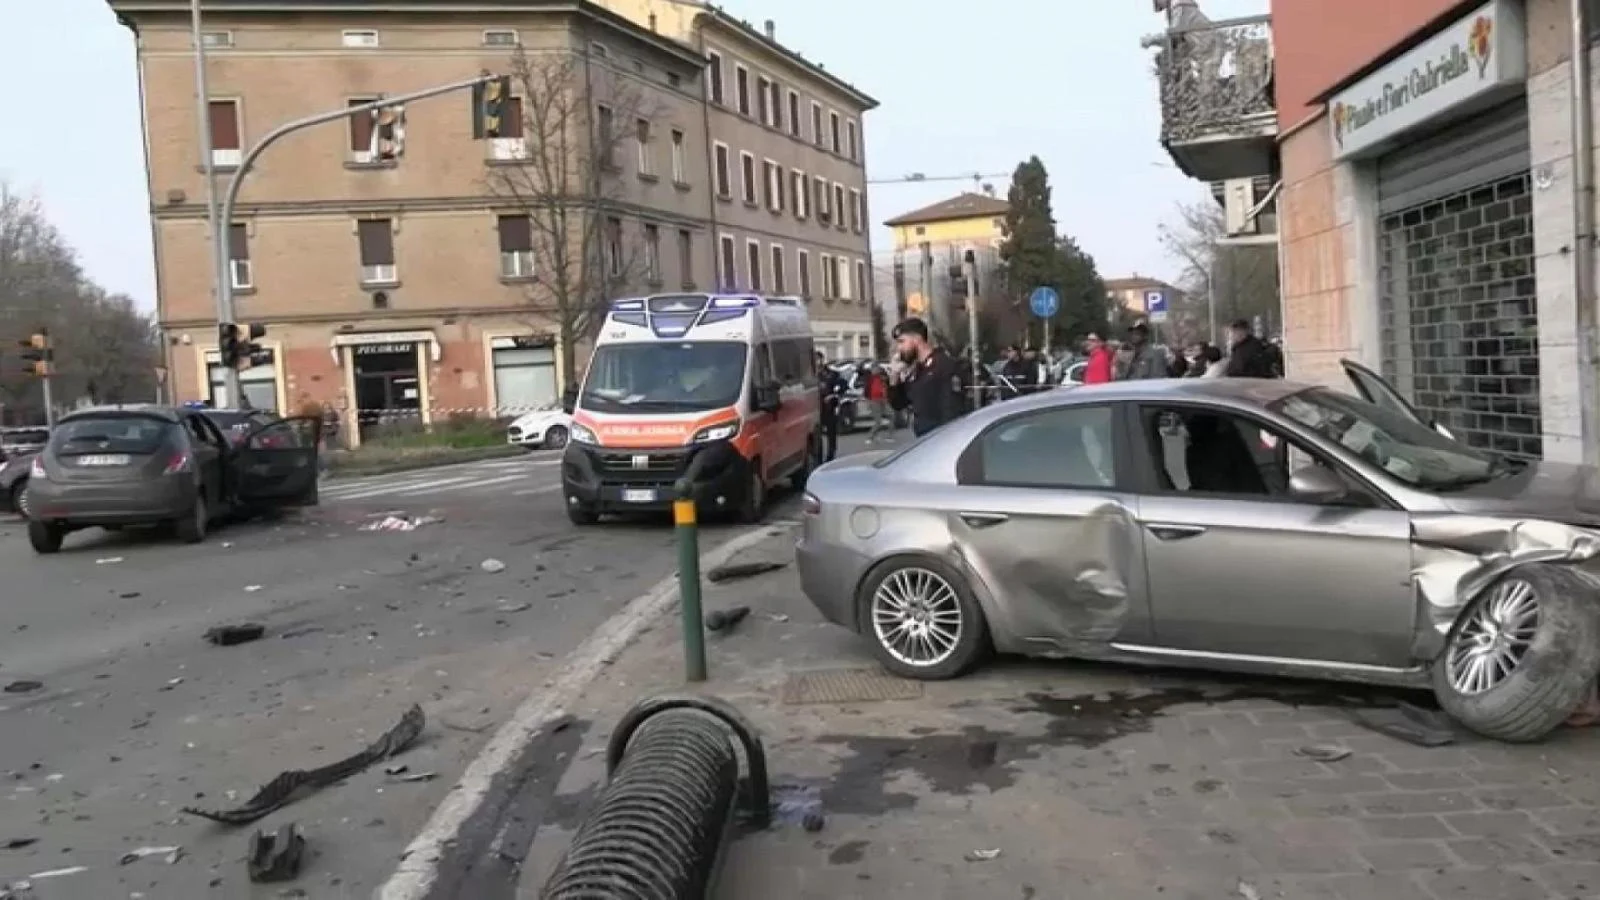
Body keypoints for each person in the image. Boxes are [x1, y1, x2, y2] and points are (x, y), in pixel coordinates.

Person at [886, 317, 963, 436]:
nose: (899, 348)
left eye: (902, 341)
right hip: (924, 439)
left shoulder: (943, 365)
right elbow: (898, 404)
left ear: (917, 339)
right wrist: (894, 376)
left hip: (942, 438)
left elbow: (951, 410)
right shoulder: (916, 370)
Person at [816, 352, 844, 462]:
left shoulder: (831, 374)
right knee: (816, 434)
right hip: (815, 408)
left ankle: (831, 454)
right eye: (815, 359)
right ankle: (817, 457)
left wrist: (833, 395)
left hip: (829, 407)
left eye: (818, 359)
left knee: (831, 432)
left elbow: (842, 386)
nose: (817, 362)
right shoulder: (810, 375)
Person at [863, 362, 892, 443]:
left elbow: (887, 384)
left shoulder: (882, 377)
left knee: (891, 415)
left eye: (877, 368)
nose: (876, 370)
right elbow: (866, 392)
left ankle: (889, 436)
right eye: (874, 368)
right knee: (878, 421)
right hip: (874, 400)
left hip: (883, 399)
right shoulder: (869, 379)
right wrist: (868, 402)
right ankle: (870, 437)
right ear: (872, 370)